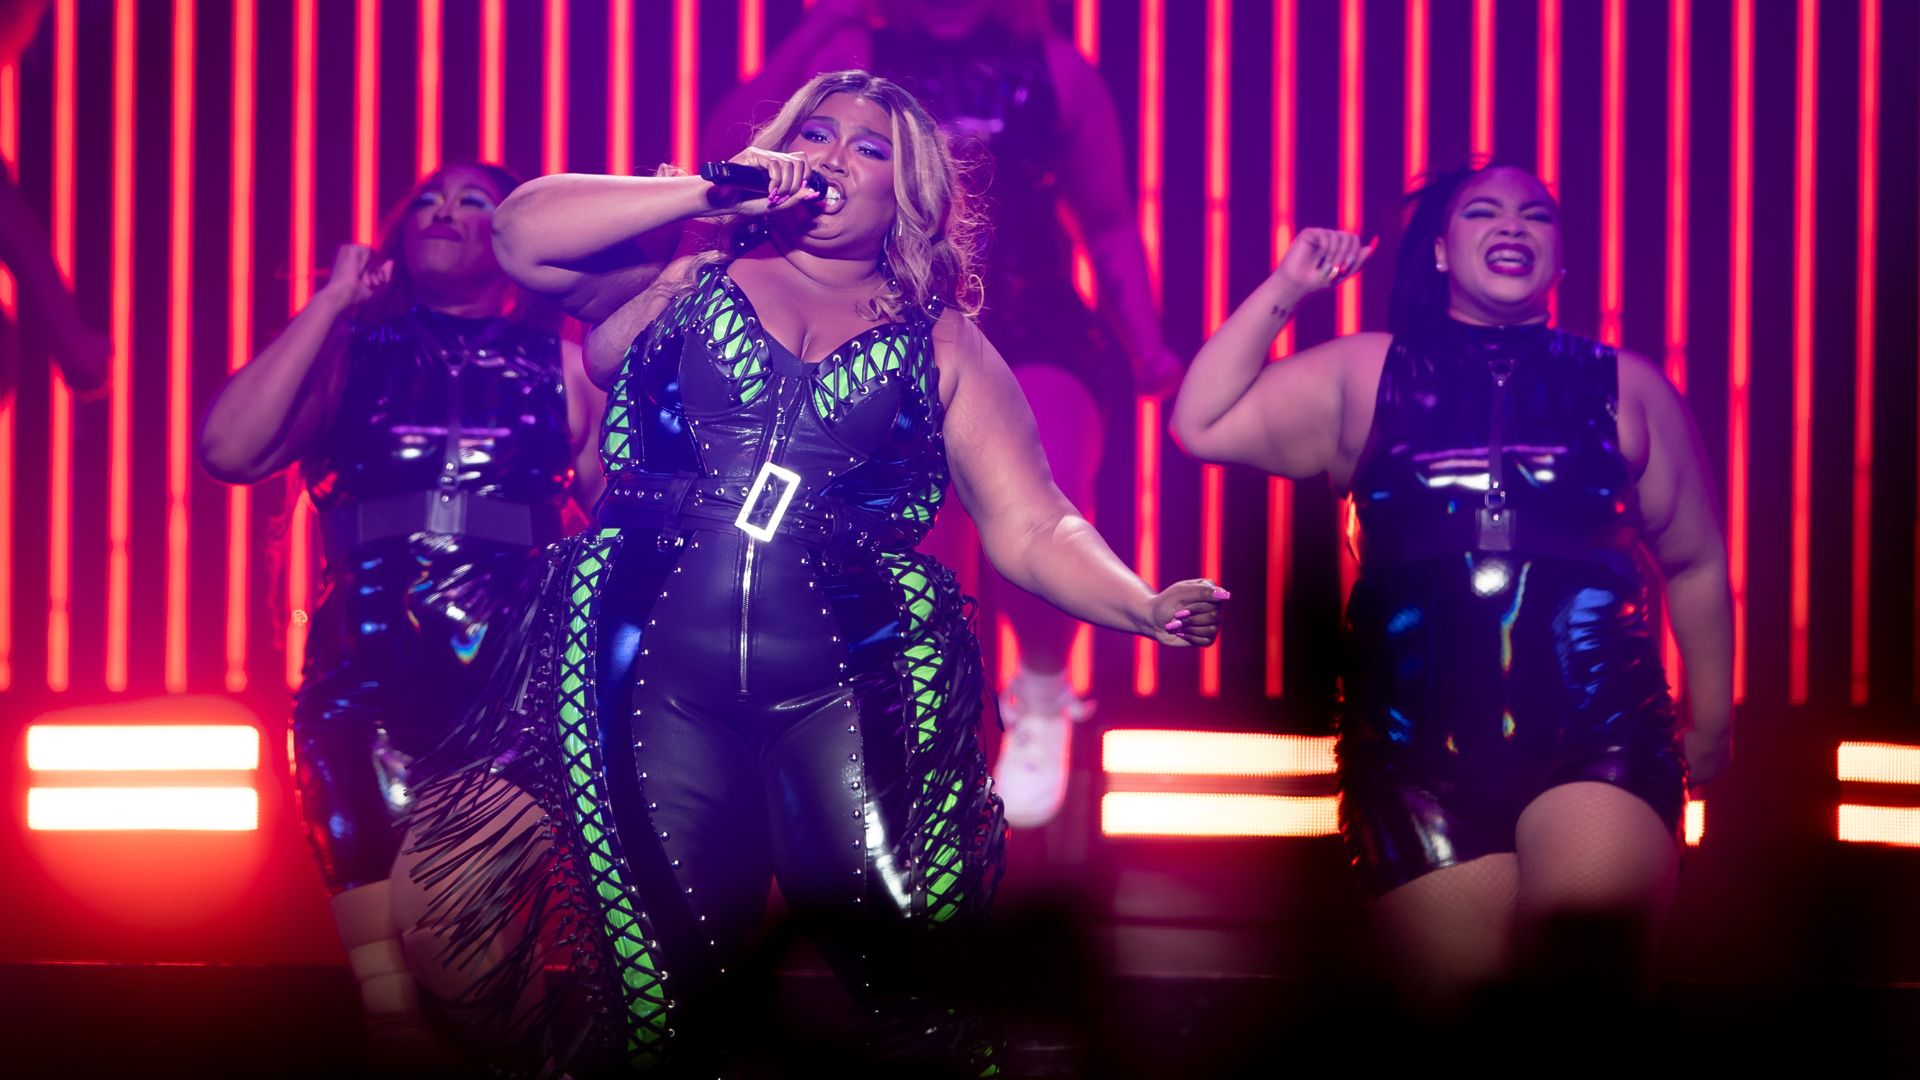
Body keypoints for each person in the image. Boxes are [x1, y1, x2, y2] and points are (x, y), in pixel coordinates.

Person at [407, 70, 1224, 1074]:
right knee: (666, 1005)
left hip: (848, 680)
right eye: (817, 134)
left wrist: (1140, 604)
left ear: (909, 193)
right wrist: (713, 191)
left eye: (869, 147)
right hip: (648, 670)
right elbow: (522, 234)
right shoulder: (683, 268)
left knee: (921, 992)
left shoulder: (946, 343)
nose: (835, 156)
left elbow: (1034, 521)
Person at [1170, 164, 1732, 1017]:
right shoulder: (1364, 372)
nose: (1512, 225)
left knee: (1583, 998)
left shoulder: (1630, 386)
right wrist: (1289, 285)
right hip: (1409, 756)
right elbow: (1199, 422)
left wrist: (1714, 724)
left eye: (1535, 214)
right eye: (1483, 211)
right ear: (1439, 249)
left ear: (1560, 258)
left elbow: (1695, 562)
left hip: (1599, 733)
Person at [705, 0, 1184, 829]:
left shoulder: (1056, 70)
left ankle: (1040, 690)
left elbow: (1106, 223)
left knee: (1045, 490)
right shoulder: (858, 52)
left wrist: (1147, 344)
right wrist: (818, 30)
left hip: (1037, 317)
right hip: (888, 305)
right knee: (900, 534)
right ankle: (882, 725)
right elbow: (733, 153)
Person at [198, 163, 604, 1059]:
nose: (446, 212)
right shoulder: (348, 355)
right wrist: (334, 303)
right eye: (428, 199)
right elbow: (228, 448)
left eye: (474, 201)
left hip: (509, 674)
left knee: (467, 946)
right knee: (395, 1010)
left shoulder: (568, 367)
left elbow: (622, 525)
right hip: (363, 671)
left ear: (511, 240)